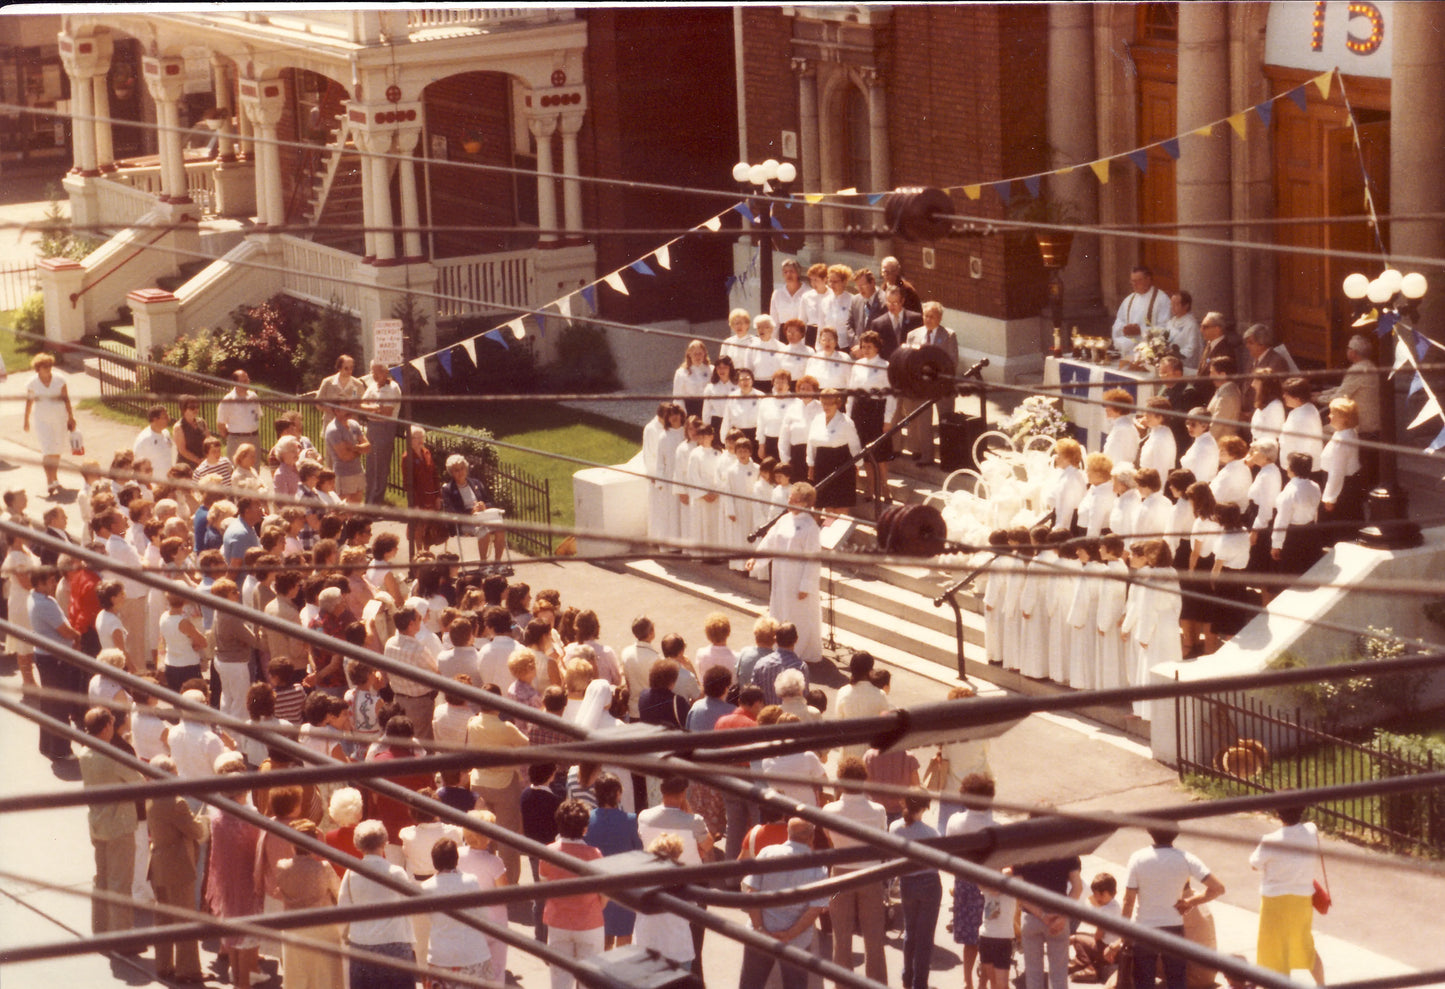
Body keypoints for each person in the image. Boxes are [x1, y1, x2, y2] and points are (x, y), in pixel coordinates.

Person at [1121, 826, 1226, 989]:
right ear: (1175, 834)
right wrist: (1190, 902)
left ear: (1150, 832)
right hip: (1174, 929)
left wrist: (1124, 931)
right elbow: (1218, 888)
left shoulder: (1137, 858)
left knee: (1143, 980)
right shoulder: (1186, 858)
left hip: (1144, 929)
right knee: (1177, 979)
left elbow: (1128, 900)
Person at [738, 818, 830, 989]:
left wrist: (760, 929)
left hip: (760, 936)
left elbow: (752, 894)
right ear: (811, 837)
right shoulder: (818, 867)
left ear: (788, 833)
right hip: (797, 942)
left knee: (750, 985)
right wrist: (790, 934)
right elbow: (815, 909)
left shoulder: (766, 853)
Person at [337, 819, 419, 989]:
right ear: (384, 843)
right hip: (395, 944)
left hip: (362, 945)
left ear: (358, 845)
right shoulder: (396, 873)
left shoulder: (352, 872)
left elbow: (343, 908)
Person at [1250, 805, 1327, 984]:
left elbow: (1255, 864)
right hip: (1302, 898)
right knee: (1305, 945)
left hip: (1274, 901)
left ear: (1277, 813)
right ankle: (1321, 985)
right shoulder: (1311, 831)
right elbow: (1311, 826)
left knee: (1274, 950)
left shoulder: (1270, 840)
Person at [748, 482, 822, 663]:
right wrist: (756, 558)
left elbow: (813, 559)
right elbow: (770, 541)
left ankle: (799, 651)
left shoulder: (810, 526)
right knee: (780, 610)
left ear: (804, 503)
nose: (789, 502)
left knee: (799, 615)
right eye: (789, 498)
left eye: (794, 500)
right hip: (781, 574)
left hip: (798, 578)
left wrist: (806, 585)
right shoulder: (784, 519)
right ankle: (781, 647)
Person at [540, 798, 608, 989]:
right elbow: (604, 894)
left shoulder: (548, 852)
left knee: (559, 980)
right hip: (589, 923)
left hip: (558, 923)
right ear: (585, 828)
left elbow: (544, 886)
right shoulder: (594, 854)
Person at [270, 818, 343, 989]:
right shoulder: (323, 869)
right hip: (323, 929)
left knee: (298, 979)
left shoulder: (282, 867)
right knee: (325, 979)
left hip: (294, 929)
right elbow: (339, 893)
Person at [584, 773, 643, 949]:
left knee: (602, 938)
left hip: (596, 886)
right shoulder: (630, 820)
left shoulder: (587, 819)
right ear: (618, 793)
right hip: (623, 887)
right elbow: (638, 851)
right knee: (625, 937)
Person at [1015, 842, 1085, 989]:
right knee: (1059, 975)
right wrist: (1062, 916)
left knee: (1033, 974)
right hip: (1058, 917)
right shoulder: (1067, 849)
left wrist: (1042, 915)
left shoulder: (1022, 849)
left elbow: (1019, 894)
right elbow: (1077, 888)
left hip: (1031, 917)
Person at [891, 794, 943, 989]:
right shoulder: (932, 833)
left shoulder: (895, 828)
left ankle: (907, 976)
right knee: (925, 937)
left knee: (910, 932)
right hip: (929, 883)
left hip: (907, 883)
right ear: (924, 808)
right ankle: (920, 983)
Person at [899, 301, 960, 465]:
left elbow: (952, 362)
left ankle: (948, 457)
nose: (928, 319)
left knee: (945, 421)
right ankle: (927, 456)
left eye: (932, 316)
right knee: (923, 422)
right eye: (926, 316)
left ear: (939, 318)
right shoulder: (913, 335)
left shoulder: (948, 335)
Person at [847, 330, 897, 501]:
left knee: (880, 454)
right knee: (866, 454)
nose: (866, 350)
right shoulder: (857, 365)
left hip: (877, 410)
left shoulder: (885, 366)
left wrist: (888, 419)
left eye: (869, 346)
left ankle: (884, 487)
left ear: (877, 347)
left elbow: (891, 395)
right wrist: (848, 416)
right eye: (863, 347)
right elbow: (852, 392)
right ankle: (870, 487)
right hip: (860, 411)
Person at [22, 353, 76, 496]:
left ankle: (55, 478)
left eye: (49, 366)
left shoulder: (59, 380)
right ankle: (49, 481)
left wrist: (71, 416)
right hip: (42, 420)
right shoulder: (32, 383)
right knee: (47, 450)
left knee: (57, 450)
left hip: (60, 418)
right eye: (44, 367)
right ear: (38, 368)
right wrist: (26, 420)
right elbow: (29, 402)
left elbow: (66, 399)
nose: (48, 369)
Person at [441, 454, 507, 564]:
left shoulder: (476, 483)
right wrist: (471, 511)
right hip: (465, 522)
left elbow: (489, 502)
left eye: (462, 468)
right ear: (451, 473)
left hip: (483, 517)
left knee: (500, 528)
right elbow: (451, 512)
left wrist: (484, 506)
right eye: (456, 470)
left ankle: (497, 563)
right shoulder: (448, 489)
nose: (460, 472)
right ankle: (483, 563)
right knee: (484, 530)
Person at [806, 387, 863, 510]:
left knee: (841, 504)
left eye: (830, 404)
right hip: (821, 463)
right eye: (824, 403)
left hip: (841, 463)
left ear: (837, 404)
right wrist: (811, 465)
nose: (826, 407)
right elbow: (811, 442)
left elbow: (854, 444)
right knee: (825, 504)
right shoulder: (817, 419)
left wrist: (857, 464)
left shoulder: (846, 421)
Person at [362, 359, 403, 505]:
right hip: (372, 427)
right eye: (372, 371)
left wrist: (371, 409)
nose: (374, 374)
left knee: (380, 468)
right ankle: (368, 502)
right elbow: (360, 405)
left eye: (377, 371)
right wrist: (375, 409)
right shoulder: (372, 386)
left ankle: (375, 504)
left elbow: (386, 413)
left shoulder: (392, 388)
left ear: (386, 372)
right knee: (371, 466)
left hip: (385, 428)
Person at [1112, 266, 1171, 354]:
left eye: (1138, 280)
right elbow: (1118, 322)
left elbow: (1167, 328)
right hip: (1129, 350)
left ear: (1148, 279)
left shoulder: (1162, 299)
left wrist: (1141, 330)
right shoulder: (1129, 300)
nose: (1134, 284)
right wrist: (1124, 329)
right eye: (1132, 281)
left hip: (1151, 352)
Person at [324, 399, 370, 505]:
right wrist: (360, 449)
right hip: (344, 475)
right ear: (336, 411)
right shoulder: (334, 430)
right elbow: (345, 457)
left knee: (357, 506)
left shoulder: (354, 424)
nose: (349, 411)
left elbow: (368, 447)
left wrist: (353, 448)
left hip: (358, 471)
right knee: (344, 508)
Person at [216, 369, 263, 460]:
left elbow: (257, 416)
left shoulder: (253, 397)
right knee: (236, 470)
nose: (247, 382)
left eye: (248, 379)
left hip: (254, 438)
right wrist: (233, 437)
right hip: (236, 440)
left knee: (254, 471)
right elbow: (220, 424)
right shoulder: (228, 400)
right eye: (244, 381)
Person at [674, 339, 712, 419]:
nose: (698, 357)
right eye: (695, 354)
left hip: (708, 407)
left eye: (700, 353)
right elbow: (678, 398)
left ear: (704, 354)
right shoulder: (681, 373)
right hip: (690, 409)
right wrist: (682, 415)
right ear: (689, 354)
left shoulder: (711, 370)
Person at [132, 405, 177, 474]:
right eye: (165, 417)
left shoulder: (166, 433)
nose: (169, 419)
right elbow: (137, 465)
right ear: (155, 419)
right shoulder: (144, 439)